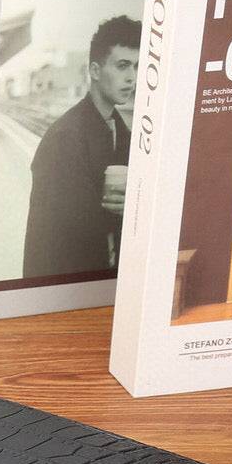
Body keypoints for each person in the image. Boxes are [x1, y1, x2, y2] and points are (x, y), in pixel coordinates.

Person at [22, 16, 141, 280]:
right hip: (66, 284)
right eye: (122, 66)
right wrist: (135, 207)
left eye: (136, 67)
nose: (132, 78)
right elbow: (67, 232)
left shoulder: (120, 131)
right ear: (95, 71)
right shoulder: (64, 139)